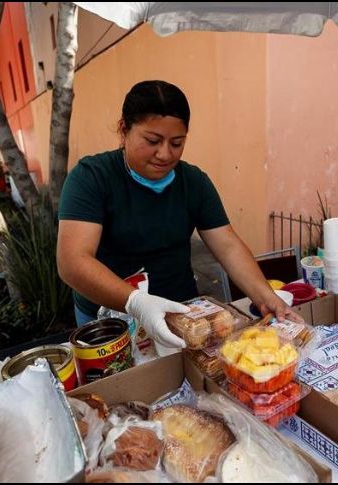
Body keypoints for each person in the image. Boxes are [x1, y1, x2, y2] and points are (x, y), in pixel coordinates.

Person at [57, 80, 300, 352]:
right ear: (124, 130)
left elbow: (228, 246)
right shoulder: (92, 178)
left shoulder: (193, 182)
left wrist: (267, 296)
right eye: (152, 141)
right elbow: (72, 261)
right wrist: (136, 302)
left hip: (184, 316)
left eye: (177, 143)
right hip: (111, 321)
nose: (165, 154)